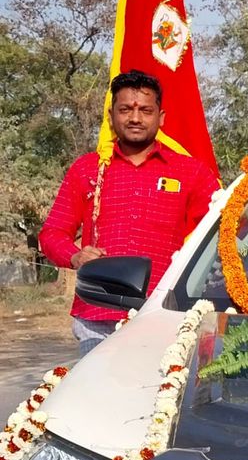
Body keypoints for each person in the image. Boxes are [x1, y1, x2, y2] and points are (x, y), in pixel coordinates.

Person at [39, 69, 218, 355]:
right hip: (97, 318)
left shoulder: (191, 172)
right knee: (99, 397)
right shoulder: (86, 169)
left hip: (165, 314)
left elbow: (221, 234)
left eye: (145, 110)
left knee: (160, 398)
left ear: (161, 117)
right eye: (125, 109)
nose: (135, 118)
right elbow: (51, 233)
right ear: (111, 116)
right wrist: (75, 255)